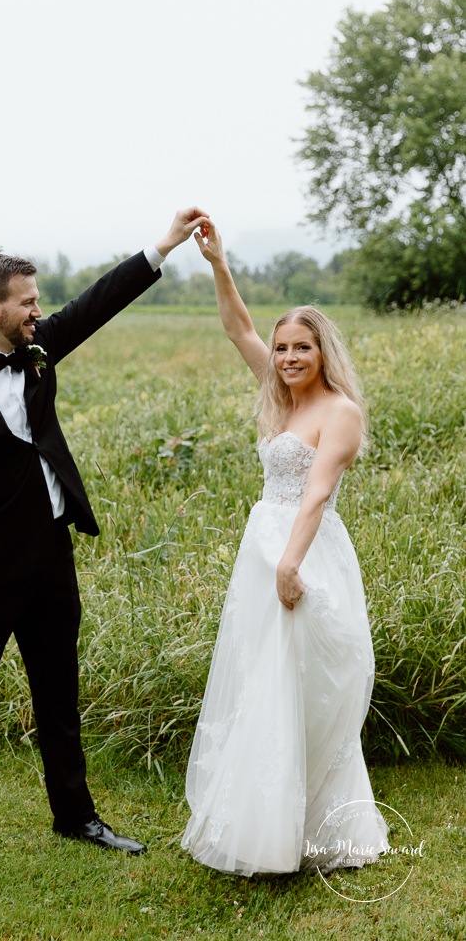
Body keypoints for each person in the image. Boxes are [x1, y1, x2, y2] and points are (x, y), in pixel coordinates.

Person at [0, 207, 209, 873]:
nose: (39, 311)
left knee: (58, 693)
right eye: (28, 302)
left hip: (50, 556)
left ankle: (76, 817)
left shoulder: (36, 350)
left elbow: (97, 305)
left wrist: (162, 246)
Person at [181, 221, 387, 875]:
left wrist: (292, 565)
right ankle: (260, 827)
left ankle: (317, 827)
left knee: (304, 681)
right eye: (282, 348)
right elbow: (237, 327)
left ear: (323, 350)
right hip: (261, 546)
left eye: (302, 347)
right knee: (260, 676)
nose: (289, 357)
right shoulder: (277, 390)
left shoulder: (339, 412)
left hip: (304, 550)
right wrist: (218, 263)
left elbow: (316, 495)